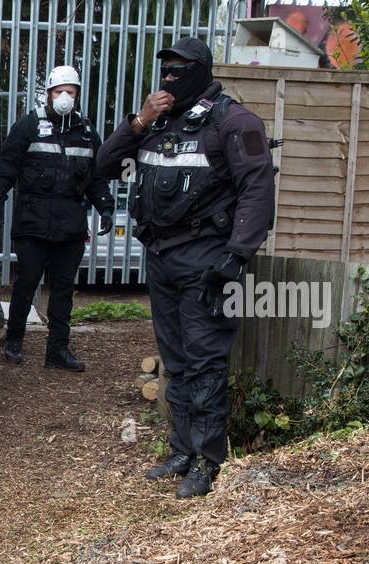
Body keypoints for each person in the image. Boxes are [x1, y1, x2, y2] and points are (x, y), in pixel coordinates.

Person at [96, 36, 275, 498]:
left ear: (202, 70)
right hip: (161, 257)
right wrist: (139, 120)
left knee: (205, 363)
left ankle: (207, 461)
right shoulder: (159, 123)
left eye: (180, 69)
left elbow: (257, 191)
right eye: (166, 70)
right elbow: (106, 163)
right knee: (175, 361)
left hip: (206, 260)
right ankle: (181, 450)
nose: (170, 78)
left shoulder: (234, 122)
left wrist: (236, 256)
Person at [0, 65, 115, 370]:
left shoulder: (86, 134)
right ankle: (14, 340)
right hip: (32, 220)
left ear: (78, 94)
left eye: (71, 92)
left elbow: (96, 178)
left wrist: (105, 206)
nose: (65, 97)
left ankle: (57, 350)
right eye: (59, 91)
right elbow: (7, 166)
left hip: (70, 224)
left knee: (62, 289)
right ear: (49, 94)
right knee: (26, 283)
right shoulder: (28, 126)